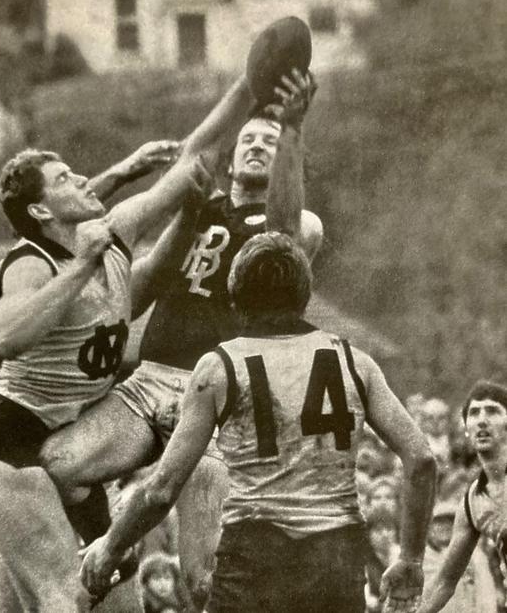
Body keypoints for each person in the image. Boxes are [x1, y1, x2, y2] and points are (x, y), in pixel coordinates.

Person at [0, 74, 257, 611]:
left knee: (119, 598)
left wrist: (253, 84)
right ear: (45, 212)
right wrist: (82, 265)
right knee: (58, 597)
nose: (85, 181)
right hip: (9, 447)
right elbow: (5, 337)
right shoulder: (29, 264)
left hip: (76, 445)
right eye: (68, 178)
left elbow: (192, 160)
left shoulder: (114, 232)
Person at [41, 70, 321, 609]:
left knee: (201, 580)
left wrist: (294, 130)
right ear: (233, 160)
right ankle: (114, 540)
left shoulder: (299, 223)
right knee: (57, 466)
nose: (259, 146)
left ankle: (119, 540)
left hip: (220, 400)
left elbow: (284, 235)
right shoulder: (199, 210)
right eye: (250, 140)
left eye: (271, 141)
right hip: (151, 380)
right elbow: (135, 296)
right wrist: (184, 215)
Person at [80, 232, 437, 612]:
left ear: (234, 299)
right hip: (335, 558)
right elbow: (422, 459)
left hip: (254, 556)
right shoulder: (355, 362)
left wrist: (111, 546)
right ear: (304, 297)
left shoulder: (220, 366)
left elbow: (163, 489)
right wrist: (412, 560)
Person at [417, 380, 507, 613]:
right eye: (475, 412)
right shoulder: (473, 501)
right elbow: (445, 581)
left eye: (493, 411)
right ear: (466, 427)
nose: (482, 419)